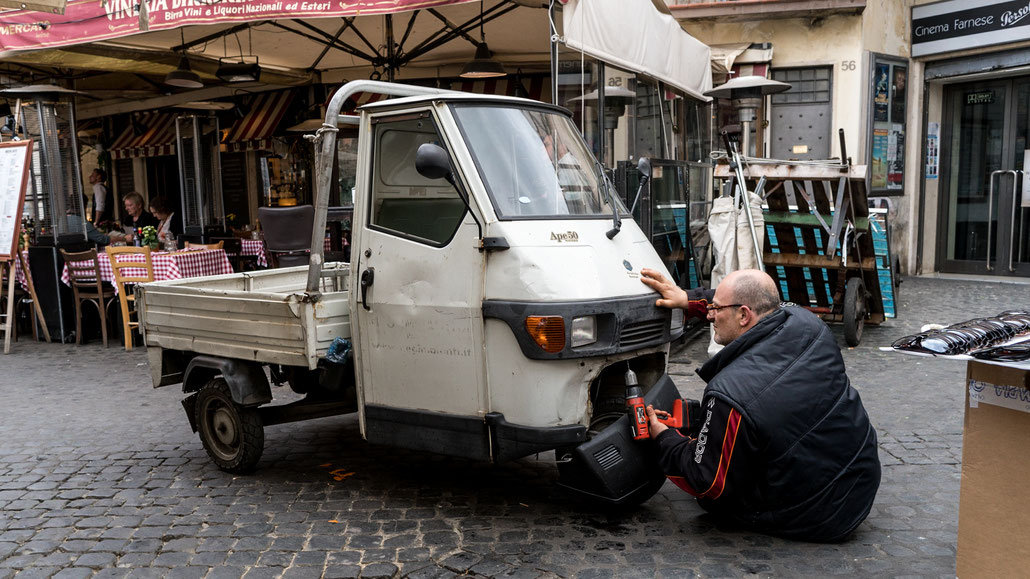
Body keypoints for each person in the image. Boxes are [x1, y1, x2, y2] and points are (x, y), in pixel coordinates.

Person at [639, 268, 881, 542]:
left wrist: (664, 438)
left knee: (712, 493)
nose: (709, 314)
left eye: (715, 309)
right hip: (861, 476)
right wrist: (688, 298)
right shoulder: (808, 322)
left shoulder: (729, 395)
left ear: (743, 315)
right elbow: (755, 298)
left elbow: (708, 483)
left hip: (819, 514)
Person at [65, 211, 129, 247]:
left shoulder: (61, 221)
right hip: (84, 260)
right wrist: (124, 239)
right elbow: (103, 239)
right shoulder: (79, 221)